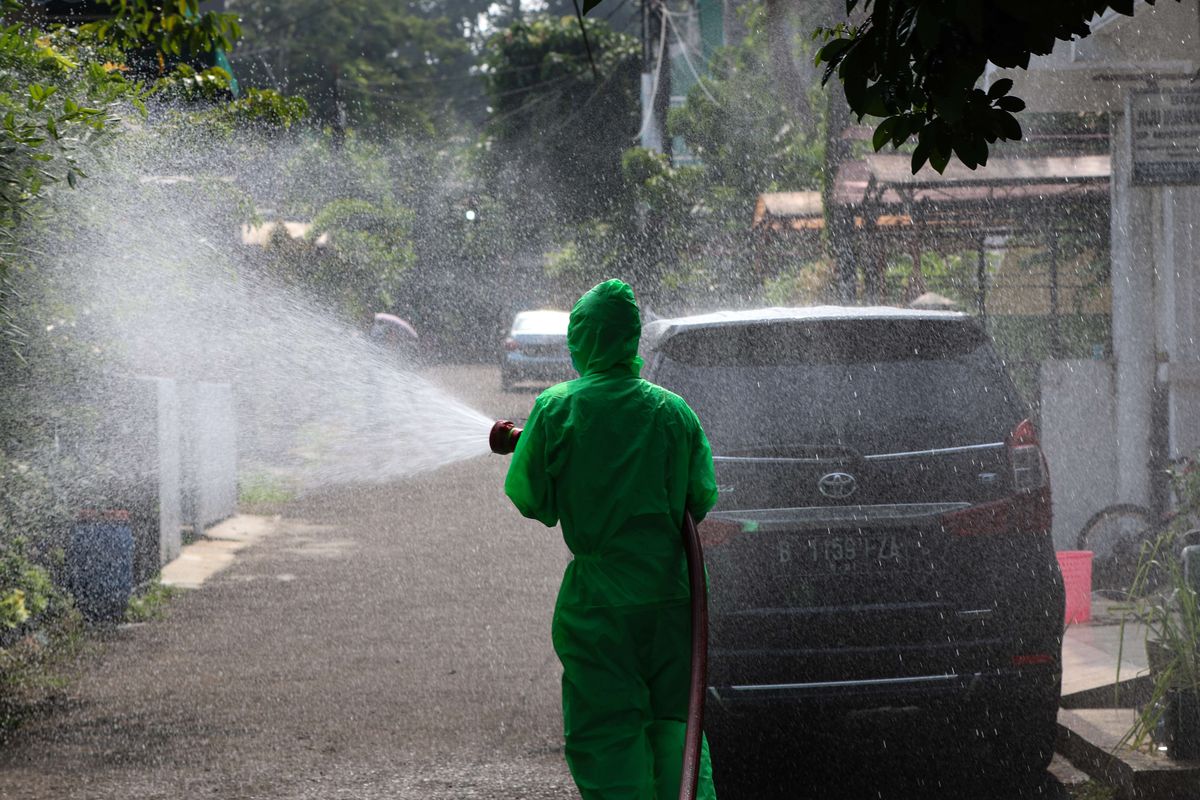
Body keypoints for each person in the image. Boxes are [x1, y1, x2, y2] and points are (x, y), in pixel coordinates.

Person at [504, 279, 719, 800]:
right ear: (630, 339)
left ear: (580, 339)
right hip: (673, 596)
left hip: (599, 604)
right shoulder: (673, 411)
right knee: (676, 726)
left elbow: (531, 498)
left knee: (606, 731)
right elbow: (702, 496)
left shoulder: (557, 410)